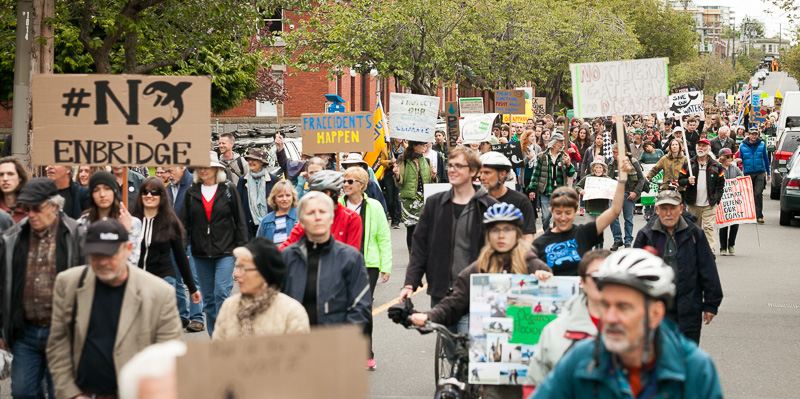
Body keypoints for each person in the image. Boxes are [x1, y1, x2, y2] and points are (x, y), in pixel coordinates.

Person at [532, 249, 723, 398]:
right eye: (605, 305)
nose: (610, 318)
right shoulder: (580, 359)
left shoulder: (695, 369)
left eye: (624, 307)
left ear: (656, 314)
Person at [407, 203, 551, 399]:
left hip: (528, 362)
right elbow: (454, 303)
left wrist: (545, 282)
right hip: (491, 361)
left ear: (517, 233)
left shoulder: (533, 265)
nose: (501, 236)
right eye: (495, 230)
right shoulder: (477, 269)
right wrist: (428, 316)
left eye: (507, 230)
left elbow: (551, 308)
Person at [46, 219, 183, 399]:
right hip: (84, 392)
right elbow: (58, 343)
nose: (102, 262)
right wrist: (71, 394)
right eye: (95, 255)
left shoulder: (159, 293)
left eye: (110, 255)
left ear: (128, 249)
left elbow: (170, 357)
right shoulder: (68, 283)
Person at [0, 178, 86, 399]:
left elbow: (89, 285)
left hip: (62, 332)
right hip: (24, 332)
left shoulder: (76, 235)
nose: (32, 214)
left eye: (37, 208)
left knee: (61, 392)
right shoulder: (12, 238)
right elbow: (3, 284)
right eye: (27, 208)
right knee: (22, 393)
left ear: (54, 205)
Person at [398, 146, 496, 306]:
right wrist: (410, 283)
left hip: (478, 293)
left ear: (473, 172)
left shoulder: (490, 207)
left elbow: (508, 250)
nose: (452, 170)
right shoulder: (434, 204)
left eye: (459, 166)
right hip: (441, 292)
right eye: (450, 165)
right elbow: (420, 247)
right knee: (443, 331)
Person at [633, 189, 723, 343]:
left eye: (672, 208)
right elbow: (634, 272)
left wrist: (711, 304)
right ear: (657, 210)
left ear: (681, 209)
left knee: (686, 357)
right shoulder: (646, 234)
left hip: (688, 308)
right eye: (663, 208)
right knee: (657, 357)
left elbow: (707, 269)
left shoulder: (695, 234)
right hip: (655, 309)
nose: (668, 213)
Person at [180, 151, 248, 336]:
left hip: (225, 251)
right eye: (200, 166)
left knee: (221, 293)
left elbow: (240, 220)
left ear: (216, 169)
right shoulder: (191, 191)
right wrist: (183, 247)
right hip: (200, 253)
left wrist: (242, 251)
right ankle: (214, 336)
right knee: (208, 298)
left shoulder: (228, 189)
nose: (203, 170)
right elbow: (184, 223)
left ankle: (227, 333)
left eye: (207, 166)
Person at [522, 249, 610, 393]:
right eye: (595, 276)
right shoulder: (554, 331)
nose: (602, 282)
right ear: (582, 282)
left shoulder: (633, 328)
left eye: (608, 275)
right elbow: (533, 386)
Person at [281, 191, 371, 327]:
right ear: (301, 222)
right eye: (310, 213)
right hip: (297, 342)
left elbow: (360, 307)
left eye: (322, 212)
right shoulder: (287, 257)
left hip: (336, 342)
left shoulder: (350, 258)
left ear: (331, 218)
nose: (318, 217)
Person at [532, 157, 632, 276]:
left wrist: (622, 180)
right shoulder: (539, 244)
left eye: (568, 213)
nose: (563, 218)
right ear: (552, 211)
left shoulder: (584, 233)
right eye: (558, 212)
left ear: (576, 212)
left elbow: (614, 211)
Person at [340, 166, 392, 369]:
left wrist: (385, 265)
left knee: (362, 309)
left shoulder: (375, 206)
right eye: (344, 181)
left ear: (362, 185)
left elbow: (384, 237)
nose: (345, 184)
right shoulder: (337, 206)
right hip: (341, 264)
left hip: (367, 264)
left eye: (350, 181)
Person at [213, 237, 310, 340]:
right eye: (236, 267)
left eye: (244, 268)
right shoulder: (229, 307)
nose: (236, 274)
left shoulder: (292, 313)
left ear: (264, 274)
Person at [130, 177, 201, 305]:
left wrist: (192, 288)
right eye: (145, 192)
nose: (149, 195)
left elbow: (180, 256)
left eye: (154, 192)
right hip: (137, 279)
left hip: (163, 278)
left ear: (162, 196)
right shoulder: (133, 220)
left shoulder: (170, 222)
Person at [165, 165, 205, 333]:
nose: (168, 175)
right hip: (172, 240)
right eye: (166, 171)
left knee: (193, 279)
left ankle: (197, 318)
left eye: (170, 171)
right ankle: (182, 315)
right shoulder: (167, 189)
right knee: (175, 279)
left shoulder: (194, 186)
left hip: (191, 240)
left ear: (181, 167)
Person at [278, 170, 363, 251]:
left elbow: (351, 255)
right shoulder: (310, 216)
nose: (313, 196)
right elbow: (289, 243)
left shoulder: (352, 218)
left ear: (328, 194)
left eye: (316, 193)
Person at [77, 171, 143, 265]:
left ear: (114, 191)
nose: (102, 194)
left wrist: (126, 232)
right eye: (96, 190)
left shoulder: (132, 223)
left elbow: (132, 263)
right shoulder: (82, 223)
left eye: (107, 189)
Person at [680, 139, 726, 253]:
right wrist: (687, 180)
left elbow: (721, 184)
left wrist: (716, 199)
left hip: (709, 203)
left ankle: (710, 251)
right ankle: (694, 251)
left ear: (708, 149)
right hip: (693, 203)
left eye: (704, 146)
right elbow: (680, 180)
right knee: (694, 229)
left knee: (709, 228)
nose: (701, 148)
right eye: (699, 146)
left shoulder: (716, 166)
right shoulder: (689, 164)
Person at [479, 152, 537, 241]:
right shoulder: (476, 201)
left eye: (487, 173)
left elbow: (527, 236)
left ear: (502, 174)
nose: (482, 177)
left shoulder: (521, 201)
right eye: (481, 173)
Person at [393, 140, 436, 251]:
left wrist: (434, 176)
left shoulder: (426, 161)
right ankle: (412, 255)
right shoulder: (404, 162)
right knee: (411, 229)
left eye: (425, 144)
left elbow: (433, 183)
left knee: (425, 228)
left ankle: (423, 254)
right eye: (421, 144)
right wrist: (397, 175)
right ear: (414, 146)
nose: (424, 146)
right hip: (409, 200)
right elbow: (399, 183)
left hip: (424, 199)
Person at [528, 133, 576, 232]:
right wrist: (532, 189)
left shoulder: (564, 156)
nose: (562, 145)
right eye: (560, 143)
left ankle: (554, 235)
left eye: (563, 142)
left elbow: (571, 173)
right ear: (554, 144)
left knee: (557, 217)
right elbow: (535, 173)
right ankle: (547, 233)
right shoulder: (542, 156)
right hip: (546, 191)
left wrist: (568, 164)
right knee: (546, 217)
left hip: (559, 191)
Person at [607, 146, 646, 251]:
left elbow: (642, 179)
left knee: (628, 219)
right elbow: (608, 180)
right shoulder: (611, 164)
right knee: (612, 218)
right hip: (615, 194)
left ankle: (628, 241)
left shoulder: (633, 162)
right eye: (613, 152)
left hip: (628, 194)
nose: (613, 155)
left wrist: (635, 192)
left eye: (615, 153)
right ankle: (617, 239)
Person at [237, 148, 280, 238]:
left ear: (262, 163)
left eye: (254, 160)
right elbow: (238, 204)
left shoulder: (273, 180)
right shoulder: (243, 180)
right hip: (249, 228)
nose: (250, 162)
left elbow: (277, 204)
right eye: (249, 159)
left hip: (269, 226)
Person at [575, 157, 613, 248]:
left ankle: (599, 249)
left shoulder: (607, 179)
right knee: (589, 230)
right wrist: (581, 190)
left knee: (599, 231)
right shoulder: (588, 178)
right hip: (590, 208)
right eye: (596, 167)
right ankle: (588, 248)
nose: (598, 169)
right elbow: (577, 186)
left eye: (600, 167)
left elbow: (612, 190)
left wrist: (612, 195)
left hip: (602, 209)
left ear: (603, 168)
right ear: (593, 168)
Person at [735, 128, 770, 224]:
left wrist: (768, 172)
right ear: (749, 135)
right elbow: (739, 159)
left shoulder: (762, 144)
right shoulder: (742, 145)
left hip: (760, 172)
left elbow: (766, 159)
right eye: (752, 134)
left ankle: (759, 216)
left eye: (756, 134)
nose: (754, 136)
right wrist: (738, 163)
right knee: (748, 195)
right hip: (748, 173)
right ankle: (750, 215)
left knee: (758, 193)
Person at [257, 180, 299, 246]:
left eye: (288, 195)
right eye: (280, 196)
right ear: (274, 199)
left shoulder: (300, 217)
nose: (284, 199)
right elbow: (258, 246)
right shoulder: (266, 221)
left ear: (293, 197)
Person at [718, 148, 743, 256]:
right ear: (722, 158)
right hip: (723, 199)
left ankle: (731, 244)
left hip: (733, 200)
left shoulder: (735, 168)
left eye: (731, 157)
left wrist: (739, 179)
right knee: (724, 224)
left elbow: (742, 178)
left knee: (735, 224)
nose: (730, 159)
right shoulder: (718, 168)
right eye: (727, 157)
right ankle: (723, 247)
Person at [380, 138, 406, 228]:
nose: (400, 138)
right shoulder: (387, 148)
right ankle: (392, 215)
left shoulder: (405, 148)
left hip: (400, 174)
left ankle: (397, 220)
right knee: (390, 199)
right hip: (389, 175)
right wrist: (389, 162)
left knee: (398, 198)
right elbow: (381, 161)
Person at [0, 157, 29, 223]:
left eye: (10, 174)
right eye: (1, 174)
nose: (5, 178)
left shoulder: (31, 208)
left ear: (20, 178)